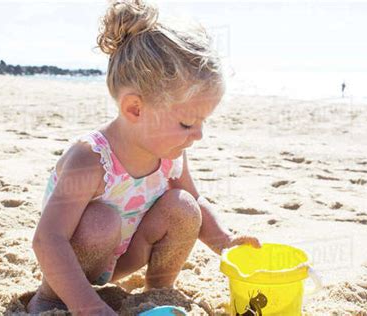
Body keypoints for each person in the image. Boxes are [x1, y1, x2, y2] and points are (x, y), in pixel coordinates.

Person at [26, 0, 261, 315]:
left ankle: (160, 291)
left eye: (203, 122)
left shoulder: (169, 153)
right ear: (135, 109)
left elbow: (196, 201)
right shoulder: (91, 158)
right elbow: (48, 239)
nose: (199, 135)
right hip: (77, 257)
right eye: (188, 124)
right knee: (101, 221)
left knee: (184, 207)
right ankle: (51, 297)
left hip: (127, 255)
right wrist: (87, 305)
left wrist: (224, 241)